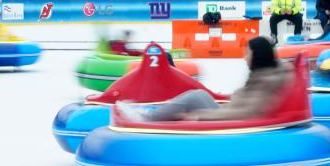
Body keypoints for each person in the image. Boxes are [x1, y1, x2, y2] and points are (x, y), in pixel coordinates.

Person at [119, 36, 289, 122]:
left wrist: (202, 116)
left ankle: (146, 120)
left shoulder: (266, 81)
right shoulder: (264, 76)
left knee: (196, 97)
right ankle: (153, 116)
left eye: (248, 54)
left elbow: (247, 113)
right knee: (200, 94)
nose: (245, 58)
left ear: (257, 56)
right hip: (230, 115)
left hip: (233, 124)